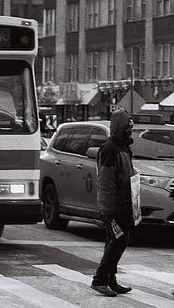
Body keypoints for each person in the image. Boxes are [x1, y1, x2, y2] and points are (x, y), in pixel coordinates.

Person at [91, 109, 137, 297]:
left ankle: (111, 280)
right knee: (117, 240)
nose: (130, 131)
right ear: (120, 128)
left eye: (131, 127)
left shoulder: (123, 148)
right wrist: (107, 211)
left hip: (123, 205)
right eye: (128, 127)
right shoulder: (110, 149)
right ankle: (99, 280)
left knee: (116, 241)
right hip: (114, 207)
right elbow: (106, 182)